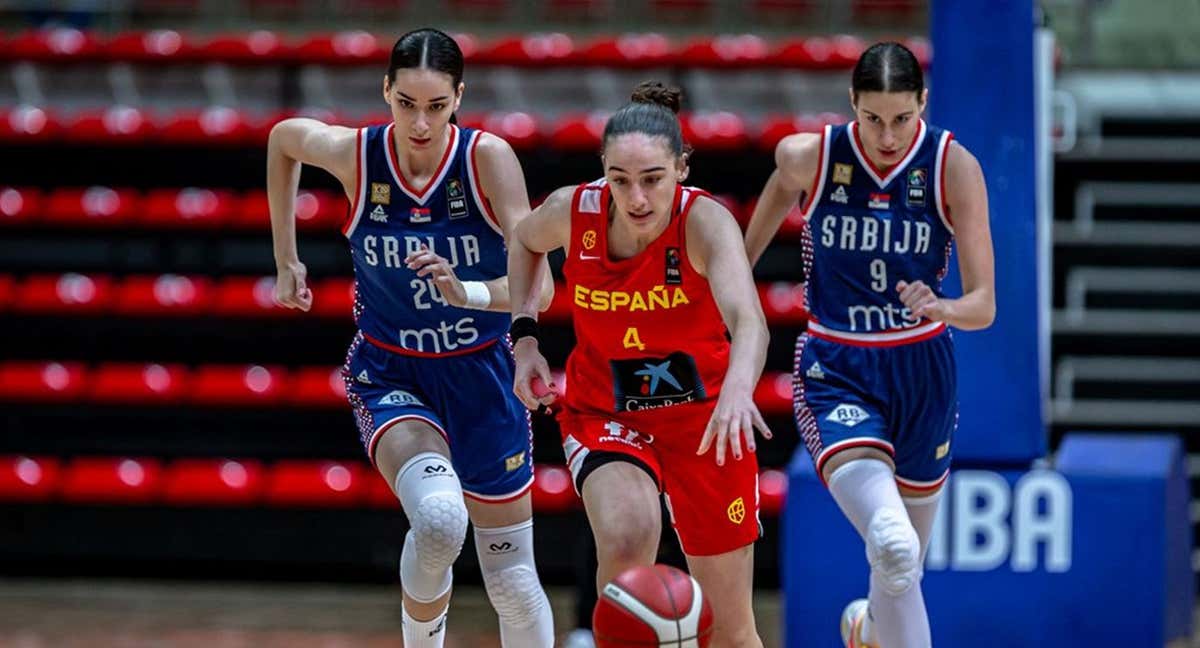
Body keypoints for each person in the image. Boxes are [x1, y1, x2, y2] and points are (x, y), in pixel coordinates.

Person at [266, 27, 556, 648]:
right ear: (386, 92)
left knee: (513, 583)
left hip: (483, 373)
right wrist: (285, 257)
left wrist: (469, 293)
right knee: (439, 519)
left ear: (459, 97)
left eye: (436, 106)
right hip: (393, 374)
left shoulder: (488, 160)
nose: (420, 123)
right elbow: (283, 139)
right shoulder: (359, 155)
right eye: (406, 103)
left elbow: (543, 289)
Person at [744, 42, 996, 648]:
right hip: (837, 366)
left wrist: (943, 306)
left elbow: (984, 305)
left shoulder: (952, 166)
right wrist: (730, 291)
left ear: (924, 105)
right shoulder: (813, 157)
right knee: (893, 541)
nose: (887, 135)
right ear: (852, 103)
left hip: (922, 370)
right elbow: (752, 232)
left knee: (904, 563)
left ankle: (868, 629)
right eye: (874, 117)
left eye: (902, 118)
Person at [508, 81, 773, 648]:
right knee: (629, 534)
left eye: (652, 179)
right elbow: (524, 242)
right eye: (620, 180)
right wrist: (525, 336)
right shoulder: (570, 211)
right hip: (605, 414)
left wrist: (738, 390)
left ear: (681, 168)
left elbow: (751, 321)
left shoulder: (705, 223)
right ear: (602, 169)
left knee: (730, 630)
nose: (635, 199)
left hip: (705, 421)